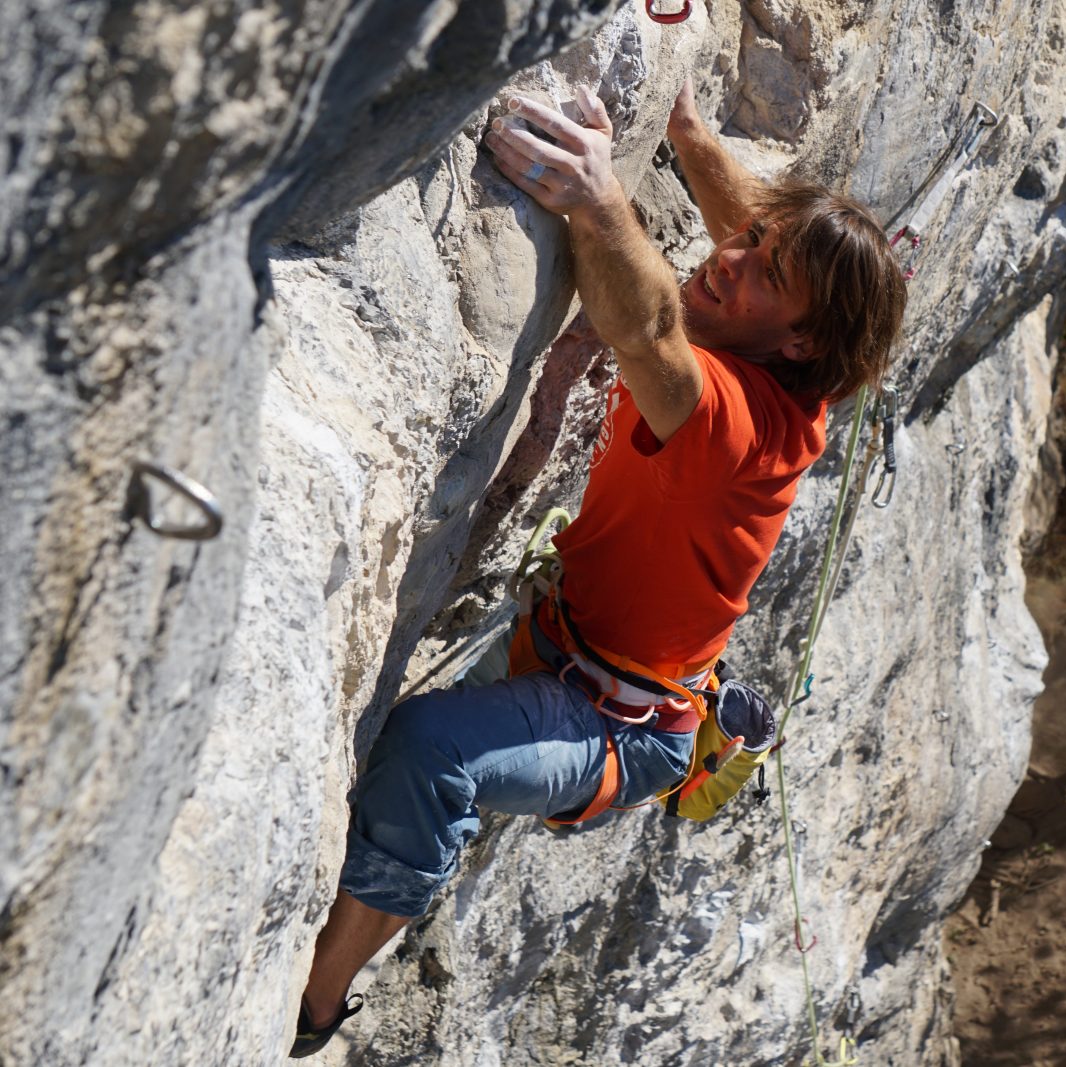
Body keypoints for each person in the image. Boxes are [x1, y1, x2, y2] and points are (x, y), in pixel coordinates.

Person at [289, 80, 906, 1058]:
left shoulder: (746, 431)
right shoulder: (780, 338)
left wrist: (596, 198)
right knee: (427, 749)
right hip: (570, 647)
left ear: (798, 340)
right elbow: (751, 222)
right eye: (741, 244)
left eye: (761, 271)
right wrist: (687, 125)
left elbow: (650, 328)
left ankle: (317, 999)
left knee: (433, 747)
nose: (728, 260)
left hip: (620, 721)